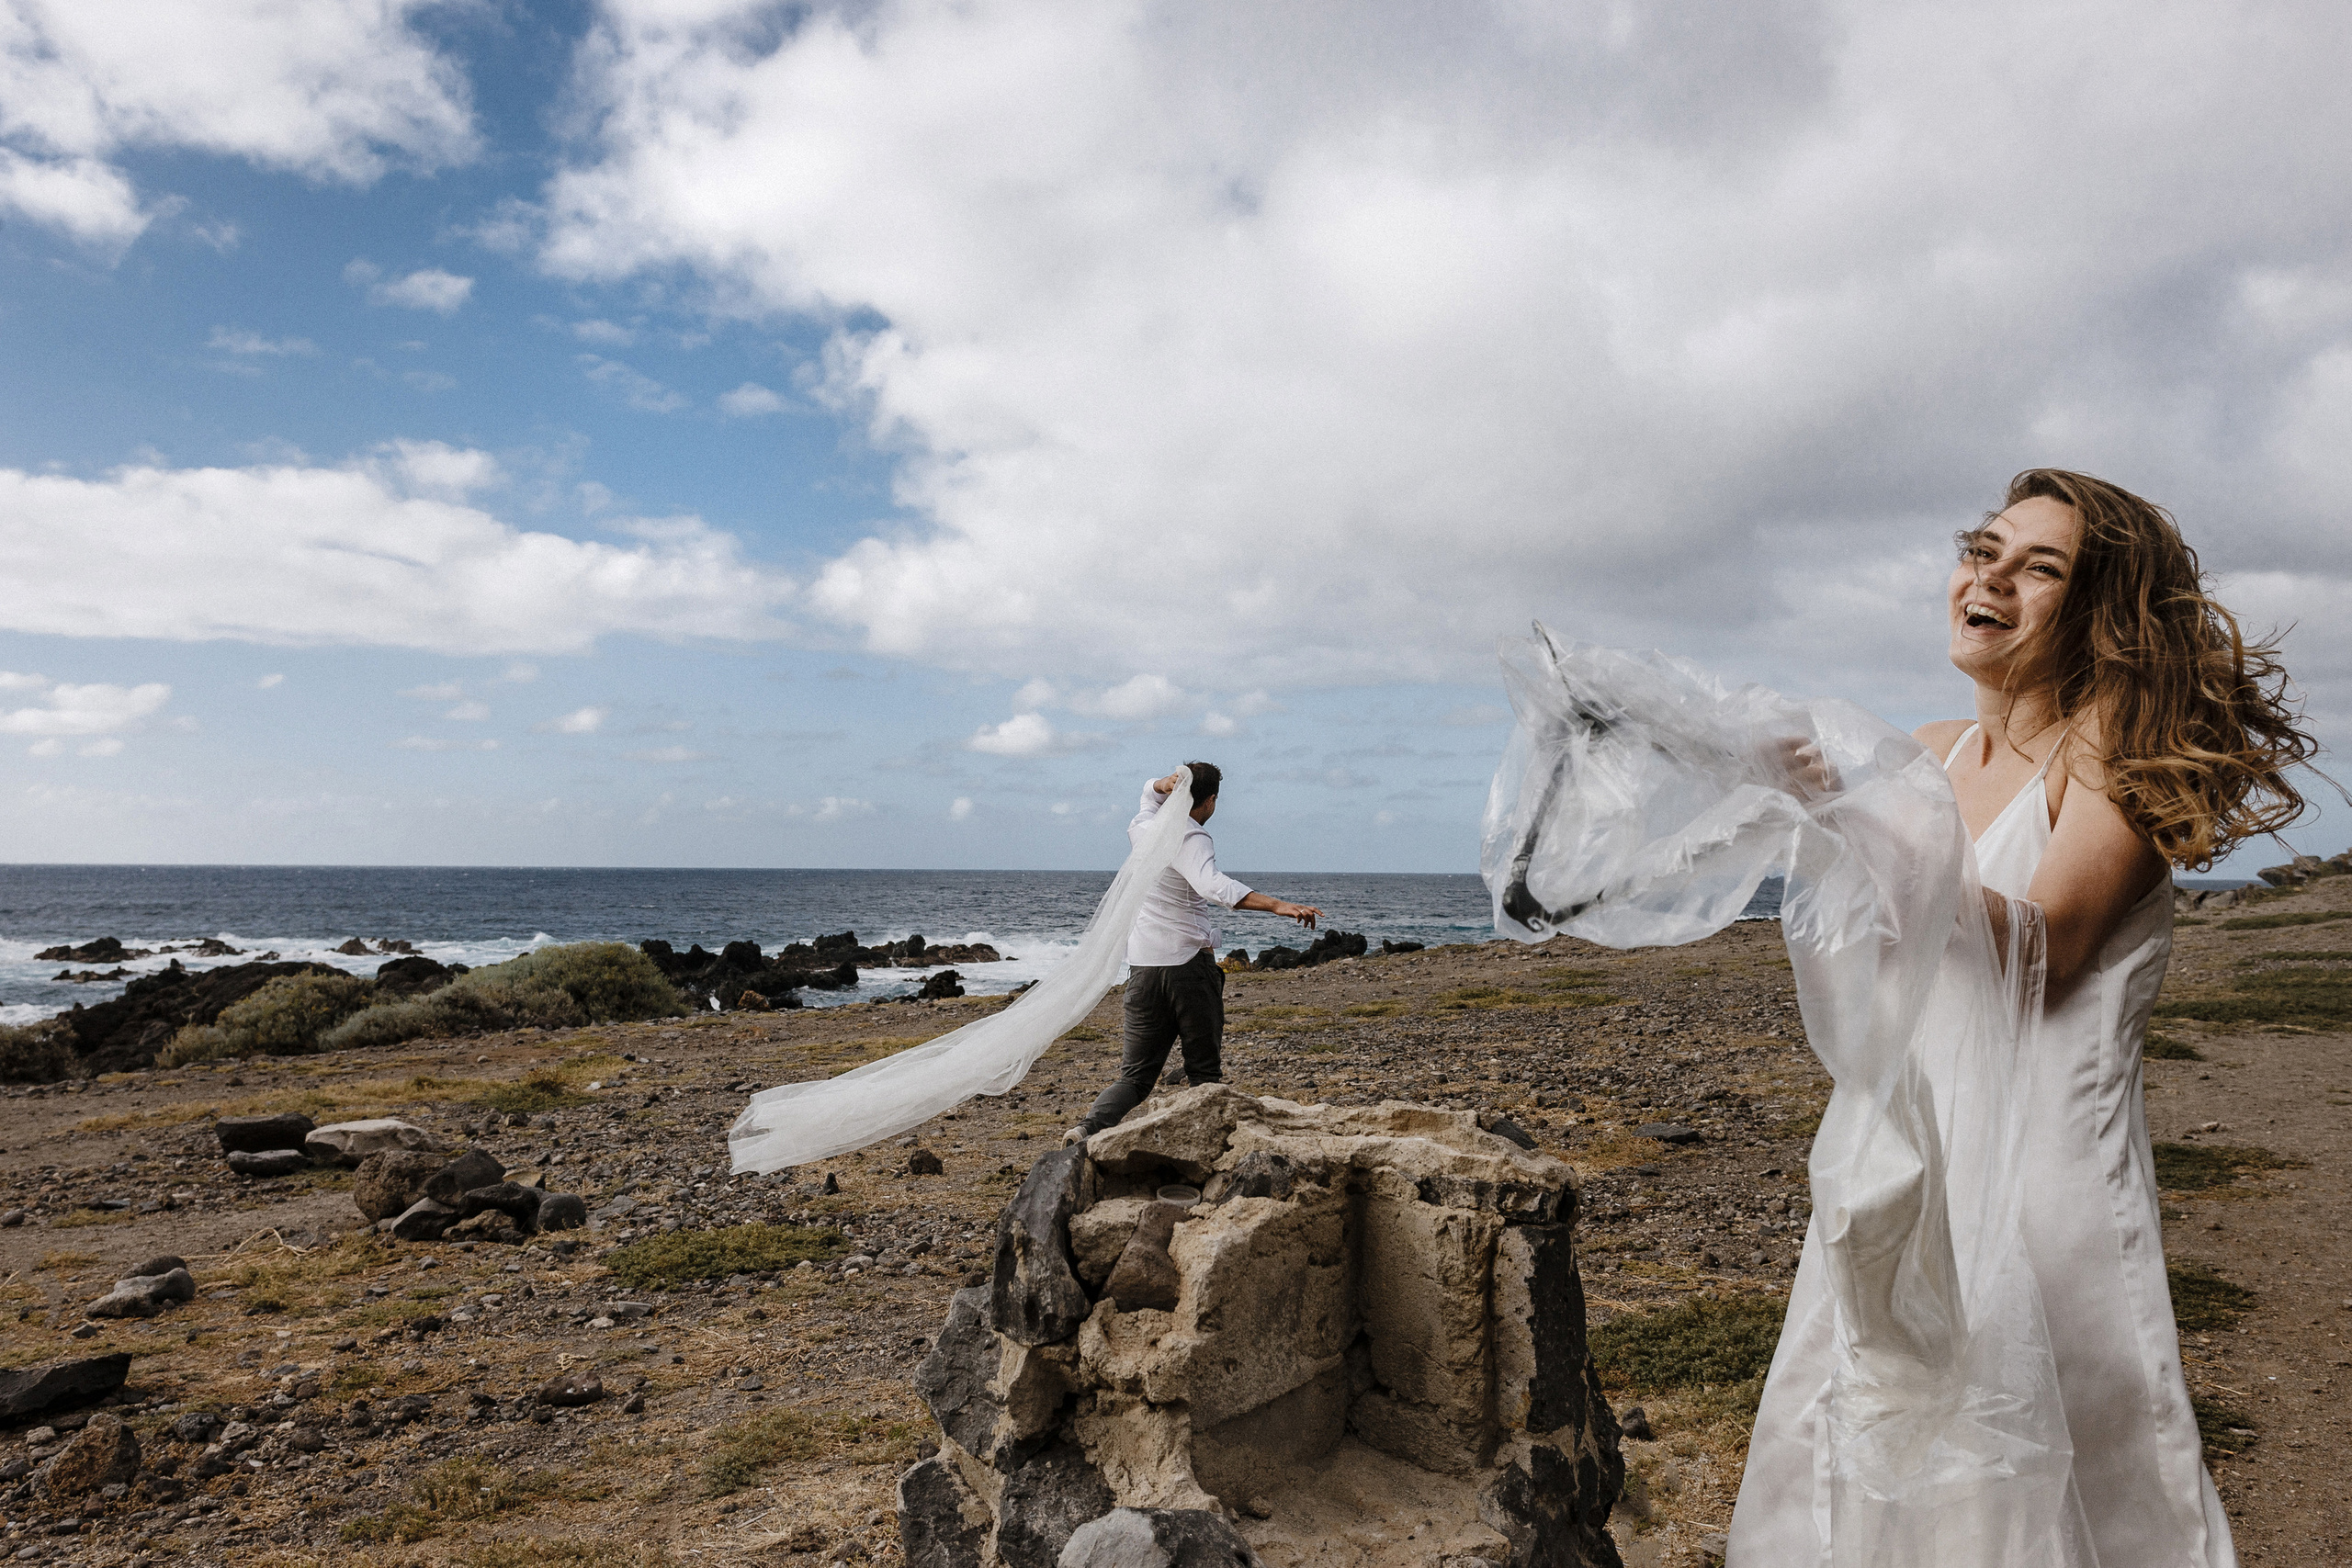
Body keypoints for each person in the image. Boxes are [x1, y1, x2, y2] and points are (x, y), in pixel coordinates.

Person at [1728, 469, 2320, 1565]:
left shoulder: (2119, 749)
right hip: (1903, 1157)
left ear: (2102, 610)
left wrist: (1859, 821)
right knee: (1860, 1422)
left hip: (2046, 1180)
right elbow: (1894, 956)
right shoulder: (1931, 750)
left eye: (2038, 566)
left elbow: (2042, 952)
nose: (1988, 577)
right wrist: (1806, 819)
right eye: (1980, 548)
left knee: (2064, 1464)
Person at [1068, 762, 1323, 1140]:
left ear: (1174, 792)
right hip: (1187, 967)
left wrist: (1159, 783)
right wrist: (1276, 905)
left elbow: (1146, 797)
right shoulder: (1193, 836)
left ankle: (1086, 1130)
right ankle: (1207, 1145)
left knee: (1135, 1077)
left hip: (1143, 969)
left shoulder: (1143, 829)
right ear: (1211, 800)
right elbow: (1211, 885)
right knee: (1203, 1071)